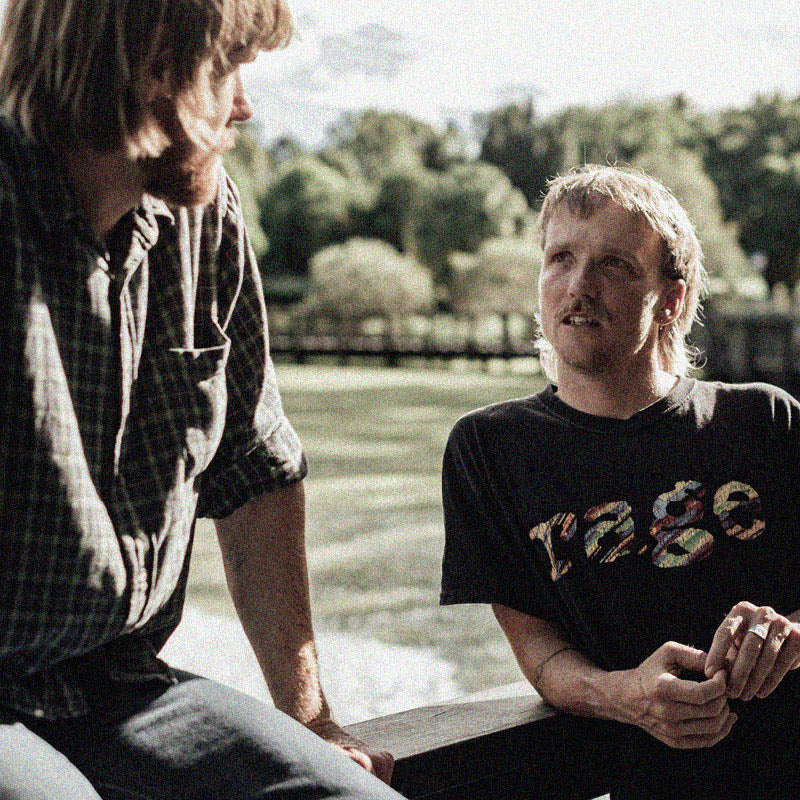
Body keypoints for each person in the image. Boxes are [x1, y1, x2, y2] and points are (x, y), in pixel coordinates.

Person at [0, 1, 401, 797]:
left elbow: (254, 469)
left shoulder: (204, 217)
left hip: (122, 685)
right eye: (227, 69)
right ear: (154, 62)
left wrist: (312, 715)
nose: (244, 107)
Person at [440, 164, 800, 799]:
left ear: (673, 300)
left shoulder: (767, 420)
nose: (578, 285)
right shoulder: (490, 450)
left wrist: (786, 640)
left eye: (614, 265)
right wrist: (626, 695)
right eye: (560, 259)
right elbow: (540, 651)